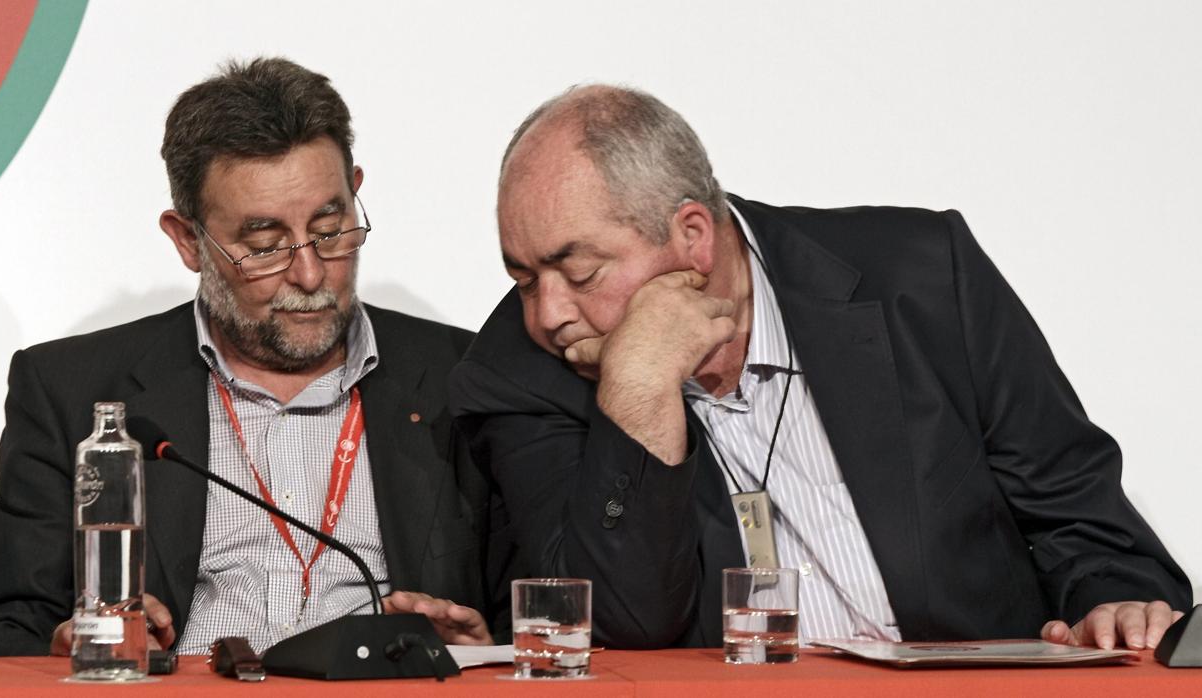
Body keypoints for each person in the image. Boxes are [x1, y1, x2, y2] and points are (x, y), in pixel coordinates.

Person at [449, 84, 1192, 651]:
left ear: (693, 237)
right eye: (522, 279)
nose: (546, 315)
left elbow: (1087, 525)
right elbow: (613, 629)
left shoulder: (925, 279)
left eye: (578, 272)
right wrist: (638, 390)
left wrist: (1114, 602)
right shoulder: (519, 372)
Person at [0, 58, 500, 656]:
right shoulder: (71, 390)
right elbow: (3, 637)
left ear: (356, 193)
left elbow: (544, 615)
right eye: (265, 246)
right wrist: (75, 642)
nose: (309, 273)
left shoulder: (468, 376)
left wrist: (482, 652)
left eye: (330, 229)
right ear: (189, 240)